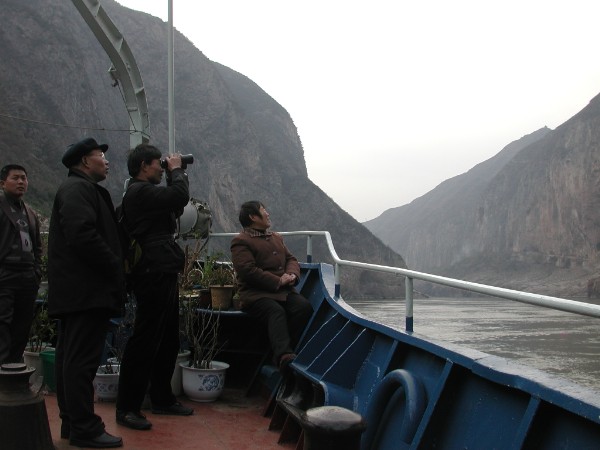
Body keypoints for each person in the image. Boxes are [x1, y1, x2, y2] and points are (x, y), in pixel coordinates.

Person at [47, 137, 124, 448]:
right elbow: (82, 234)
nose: (106, 160)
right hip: (86, 290)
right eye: (100, 154)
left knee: (71, 357)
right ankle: (84, 427)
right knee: (81, 360)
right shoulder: (78, 189)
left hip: (76, 291)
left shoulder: (77, 188)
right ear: (83, 161)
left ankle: (71, 422)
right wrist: (114, 265)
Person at [115, 143, 193, 431]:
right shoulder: (138, 191)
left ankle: (162, 397)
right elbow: (179, 196)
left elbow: (175, 201)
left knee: (169, 337)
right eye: (157, 164)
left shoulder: (144, 193)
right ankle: (127, 408)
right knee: (145, 339)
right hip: (151, 271)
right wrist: (176, 170)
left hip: (162, 268)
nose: (161, 169)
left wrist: (177, 172)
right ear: (143, 165)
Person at [230, 201, 313, 372]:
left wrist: (292, 275)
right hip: (255, 294)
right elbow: (247, 271)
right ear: (253, 217)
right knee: (275, 311)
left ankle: (276, 346)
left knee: (303, 307)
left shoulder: (276, 237)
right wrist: (278, 281)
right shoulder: (241, 241)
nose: (268, 214)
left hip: (283, 291)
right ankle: (283, 356)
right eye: (264, 211)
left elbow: (291, 259)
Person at [0, 164, 43, 365]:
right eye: (15, 178)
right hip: (5, 273)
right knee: (3, 324)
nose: (20, 182)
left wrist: (36, 271)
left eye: (23, 178)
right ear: (2, 183)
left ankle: (15, 368)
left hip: (27, 276)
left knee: (22, 326)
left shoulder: (30, 212)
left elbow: (38, 246)